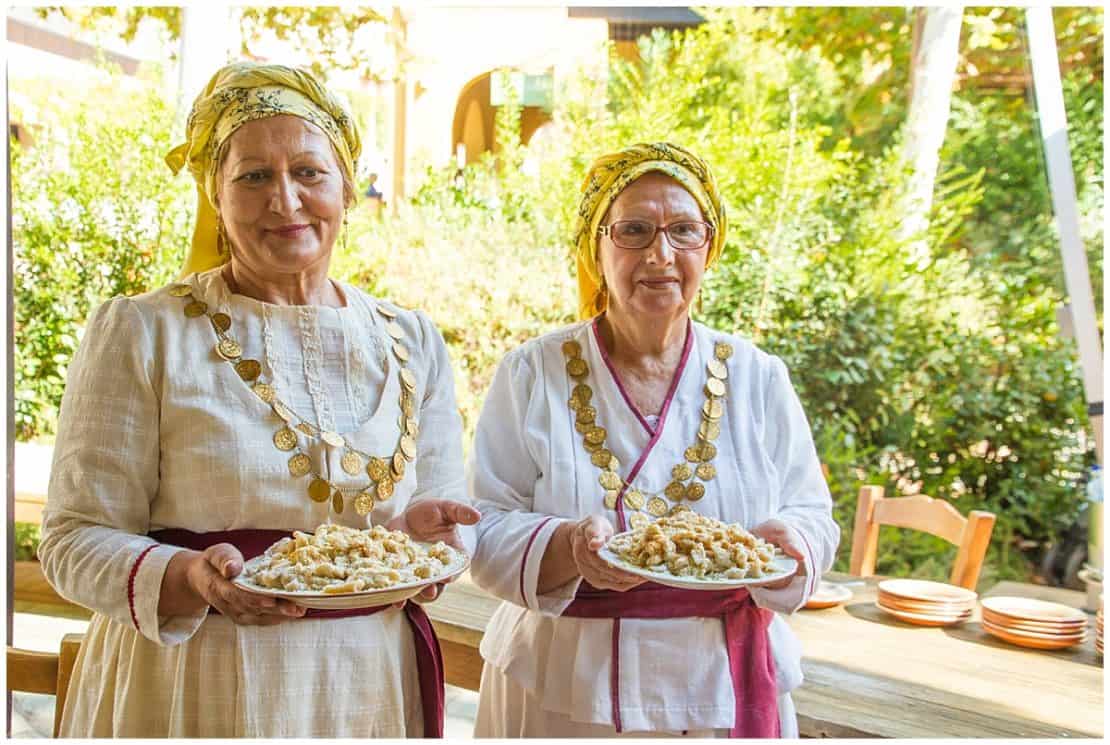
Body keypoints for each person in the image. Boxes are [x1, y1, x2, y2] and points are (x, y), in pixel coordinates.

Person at [38, 62, 478, 738]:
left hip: (367, 691)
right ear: (214, 193)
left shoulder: (412, 339)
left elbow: (446, 518)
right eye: (253, 176)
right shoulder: (143, 330)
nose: (286, 200)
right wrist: (188, 576)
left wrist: (432, 536)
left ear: (347, 188)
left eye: (308, 171)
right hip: (193, 685)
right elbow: (70, 540)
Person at [467, 142, 839, 737]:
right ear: (597, 247)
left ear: (709, 247)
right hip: (563, 685)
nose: (660, 255)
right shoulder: (533, 372)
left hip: (718, 682)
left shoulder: (756, 376)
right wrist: (566, 546)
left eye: (684, 231)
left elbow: (813, 513)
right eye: (634, 231)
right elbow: (481, 524)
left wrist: (788, 547)